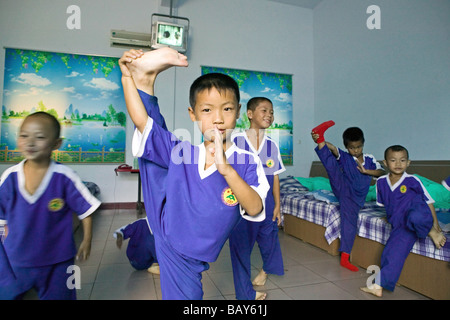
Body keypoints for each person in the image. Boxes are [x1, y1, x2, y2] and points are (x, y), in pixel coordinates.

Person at [119, 47, 269, 300]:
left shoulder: (246, 162)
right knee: (154, 144)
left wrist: (227, 170)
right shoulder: (184, 151)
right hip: (172, 241)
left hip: (191, 250)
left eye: (227, 109)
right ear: (194, 114)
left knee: (155, 156)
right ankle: (142, 81)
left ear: (239, 112)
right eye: (207, 110)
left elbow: (254, 208)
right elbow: (141, 121)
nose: (218, 119)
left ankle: (145, 80)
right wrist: (126, 78)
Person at [0, 112, 101, 300]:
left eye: (39, 137)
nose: (30, 142)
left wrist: (87, 240)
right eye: (24, 136)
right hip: (17, 260)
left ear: (56, 144)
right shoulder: (10, 178)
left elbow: (85, 209)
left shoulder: (64, 177)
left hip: (58, 260)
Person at [361, 145, 446, 297]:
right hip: (401, 224)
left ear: (408, 162)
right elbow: (388, 205)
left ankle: (431, 232)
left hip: (418, 214)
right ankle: (378, 285)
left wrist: (435, 225)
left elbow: (429, 202)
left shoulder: (413, 180)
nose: (398, 164)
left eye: (402, 160)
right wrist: (389, 217)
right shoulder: (380, 182)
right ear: (385, 163)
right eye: (393, 160)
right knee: (391, 252)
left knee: (415, 215)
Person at [230, 97, 285, 300]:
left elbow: (275, 176)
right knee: (241, 249)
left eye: (271, 111)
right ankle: (246, 294)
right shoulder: (235, 140)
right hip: (243, 203)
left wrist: (277, 205)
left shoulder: (272, 146)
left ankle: (265, 271)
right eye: (264, 110)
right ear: (250, 114)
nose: (269, 115)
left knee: (269, 239)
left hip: (267, 201)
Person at [311, 122, 384, 271]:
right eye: (351, 148)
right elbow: (332, 148)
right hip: (344, 191)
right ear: (346, 146)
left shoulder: (370, 159)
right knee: (333, 164)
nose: (355, 150)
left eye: (358, 147)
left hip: (357, 196)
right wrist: (320, 140)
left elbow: (381, 173)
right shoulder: (345, 156)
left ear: (363, 144)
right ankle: (345, 257)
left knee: (350, 220)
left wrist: (366, 171)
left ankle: (320, 141)